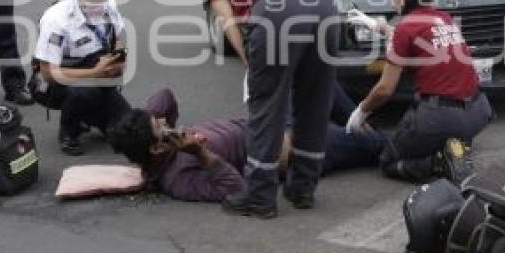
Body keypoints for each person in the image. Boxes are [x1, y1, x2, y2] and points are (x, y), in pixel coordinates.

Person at [205, 0, 339, 218]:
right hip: (324, 0)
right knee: (315, 100)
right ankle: (302, 189)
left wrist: (248, 57)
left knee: (267, 104)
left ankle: (260, 196)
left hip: (278, 7)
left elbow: (226, 17)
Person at [110, 85, 386, 203]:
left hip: (269, 120)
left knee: (314, 78)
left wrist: (145, 120)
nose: (166, 124)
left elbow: (165, 95)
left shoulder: (164, 141)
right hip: (290, 147)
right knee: (376, 145)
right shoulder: (177, 179)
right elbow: (235, 188)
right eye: (160, 127)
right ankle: (402, 150)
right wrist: (201, 153)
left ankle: (355, 123)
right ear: (156, 148)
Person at [345, 0, 493, 184]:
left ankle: (438, 162)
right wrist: (379, 27)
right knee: (432, 133)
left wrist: (360, 113)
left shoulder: (406, 28)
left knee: (388, 160)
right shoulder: (444, 18)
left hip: (440, 117)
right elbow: (417, 38)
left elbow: (385, 89)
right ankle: (453, 147)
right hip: (478, 112)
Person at [32, 0, 131, 155]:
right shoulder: (57, 18)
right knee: (85, 92)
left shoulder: (109, 4)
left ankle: (92, 117)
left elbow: (117, 38)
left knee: (125, 128)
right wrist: (95, 72)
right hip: (56, 81)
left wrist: (119, 59)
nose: (102, 3)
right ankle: (69, 131)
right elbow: (48, 73)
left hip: (97, 72)